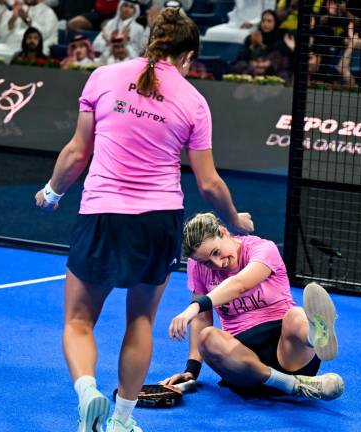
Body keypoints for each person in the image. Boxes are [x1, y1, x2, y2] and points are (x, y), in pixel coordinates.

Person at [34, 7, 253, 432]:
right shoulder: (195, 101)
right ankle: (120, 420)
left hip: (102, 215)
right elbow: (208, 184)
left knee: (79, 321)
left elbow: (78, 153)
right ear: (188, 56)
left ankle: (87, 394)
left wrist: (51, 193)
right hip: (158, 222)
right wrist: (235, 218)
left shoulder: (103, 77)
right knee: (140, 320)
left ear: (152, 40)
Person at [163, 213, 344, 401]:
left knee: (296, 315)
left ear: (223, 232)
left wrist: (194, 307)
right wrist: (191, 370)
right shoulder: (197, 265)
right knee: (207, 337)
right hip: (242, 364)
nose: (218, 264)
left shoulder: (263, 249)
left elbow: (239, 284)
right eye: (207, 262)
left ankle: (316, 335)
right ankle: (294, 385)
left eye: (216, 252)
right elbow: (202, 319)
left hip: (289, 353)